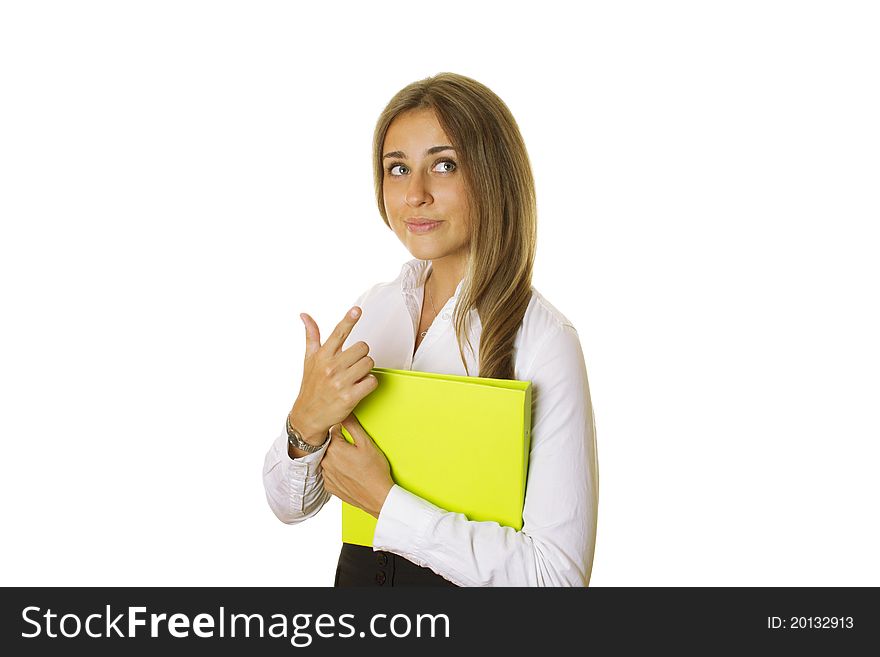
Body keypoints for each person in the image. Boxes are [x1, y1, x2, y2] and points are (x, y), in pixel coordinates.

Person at [262, 72, 598, 586]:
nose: (414, 194)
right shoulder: (373, 313)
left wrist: (387, 503)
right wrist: (303, 429)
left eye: (443, 165)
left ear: (493, 176)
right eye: (397, 169)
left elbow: (555, 579)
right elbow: (291, 508)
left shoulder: (543, 340)